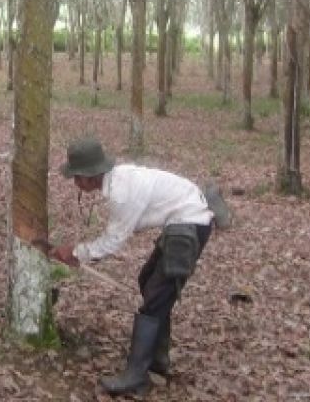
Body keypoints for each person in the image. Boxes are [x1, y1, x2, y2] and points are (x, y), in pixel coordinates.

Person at [49, 138, 214, 396]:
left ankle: (137, 376)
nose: (75, 183)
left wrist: (77, 252)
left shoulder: (121, 193)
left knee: (156, 297)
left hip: (189, 223)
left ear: (91, 176)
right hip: (181, 220)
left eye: (77, 177)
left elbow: (114, 241)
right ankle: (158, 361)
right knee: (147, 281)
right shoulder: (118, 180)